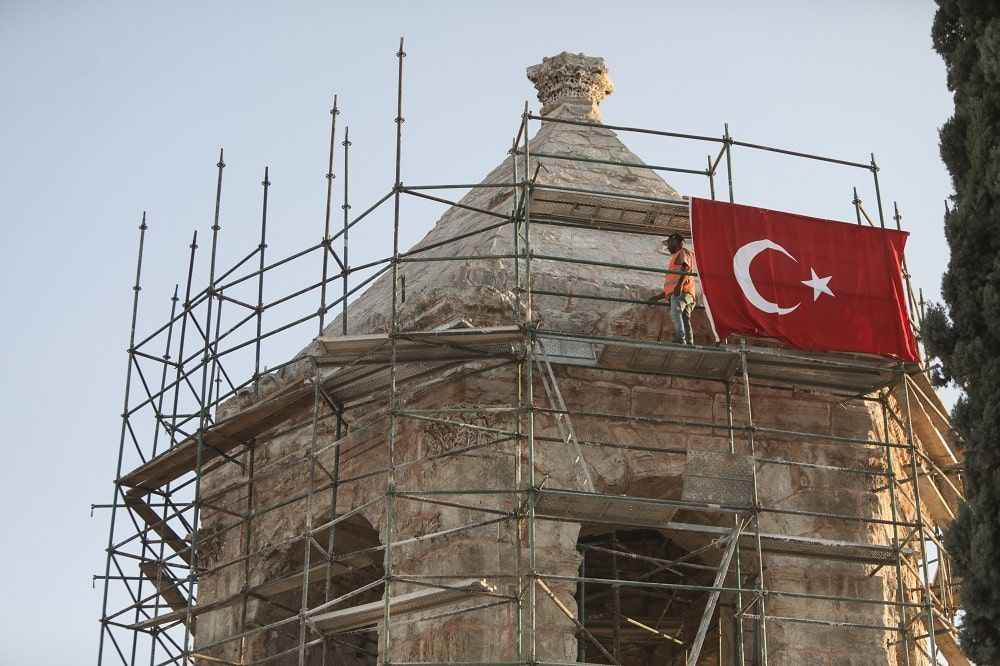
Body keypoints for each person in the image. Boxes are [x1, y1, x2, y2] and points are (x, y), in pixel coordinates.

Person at [654, 232, 697, 345]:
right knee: (684, 317)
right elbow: (671, 285)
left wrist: (679, 286)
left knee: (676, 313)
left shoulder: (682, 252)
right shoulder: (677, 256)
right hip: (686, 293)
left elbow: (686, 269)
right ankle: (689, 342)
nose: (668, 247)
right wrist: (658, 297)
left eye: (669, 243)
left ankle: (680, 338)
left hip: (682, 292)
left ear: (676, 242)